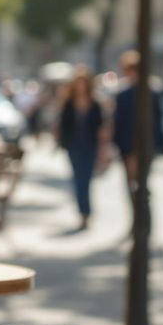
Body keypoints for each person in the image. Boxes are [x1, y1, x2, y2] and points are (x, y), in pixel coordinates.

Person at [55, 67, 107, 230]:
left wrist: (103, 150)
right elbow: (61, 125)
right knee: (78, 179)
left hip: (90, 146)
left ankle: (86, 211)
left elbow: (100, 128)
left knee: (87, 179)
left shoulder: (95, 103)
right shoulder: (68, 103)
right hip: (73, 146)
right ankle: (83, 212)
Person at [112, 50, 163, 193]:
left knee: (141, 181)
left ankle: (141, 208)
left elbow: (157, 118)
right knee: (132, 182)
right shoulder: (123, 93)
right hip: (129, 144)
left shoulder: (151, 91)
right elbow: (119, 120)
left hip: (145, 142)